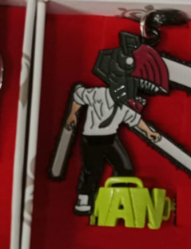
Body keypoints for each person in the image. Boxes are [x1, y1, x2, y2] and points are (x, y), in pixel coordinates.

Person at [66, 84, 161, 215]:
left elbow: (135, 119)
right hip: (92, 138)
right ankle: (84, 199)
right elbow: (79, 95)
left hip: (111, 139)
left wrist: (149, 132)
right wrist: (72, 114)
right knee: (92, 171)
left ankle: (116, 195)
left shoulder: (125, 105)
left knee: (125, 168)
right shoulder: (99, 94)